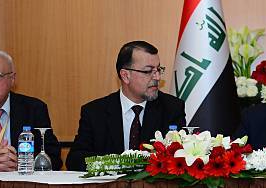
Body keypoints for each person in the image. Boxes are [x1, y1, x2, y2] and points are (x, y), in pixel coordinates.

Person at [66, 41, 186, 171]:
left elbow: (179, 158)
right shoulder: (95, 112)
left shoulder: (172, 108)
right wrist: (119, 164)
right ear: (125, 76)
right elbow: (75, 159)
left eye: (158, 69)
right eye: (148, 71)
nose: (157, 77)